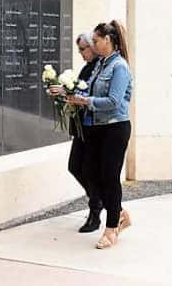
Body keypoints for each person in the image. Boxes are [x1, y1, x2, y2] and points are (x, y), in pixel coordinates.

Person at [67, 20, 133, 249]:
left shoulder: (119, 67)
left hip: (115, 128)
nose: (93, 45)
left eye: (96, 40)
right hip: (97, 128)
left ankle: (111, 228)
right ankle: (120, 213)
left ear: (108, 40)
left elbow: (114, 102)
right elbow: (85, 89)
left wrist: (86, 101)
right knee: (89, 171)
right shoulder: (100, 66)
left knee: (109, 176)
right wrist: (67, 93)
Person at [50, 33, 102, 233]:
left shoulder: (98, 67)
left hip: (92, 127)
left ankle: (95, 210)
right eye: (79, 49)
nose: (81, 53)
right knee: (75, 166)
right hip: (81, 125)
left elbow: (88, 94)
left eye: (83, 49)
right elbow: (77, 93)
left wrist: (69, 93)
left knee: (88, 169)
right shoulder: (87, 67)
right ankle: (98, 199)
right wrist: (61, 93)